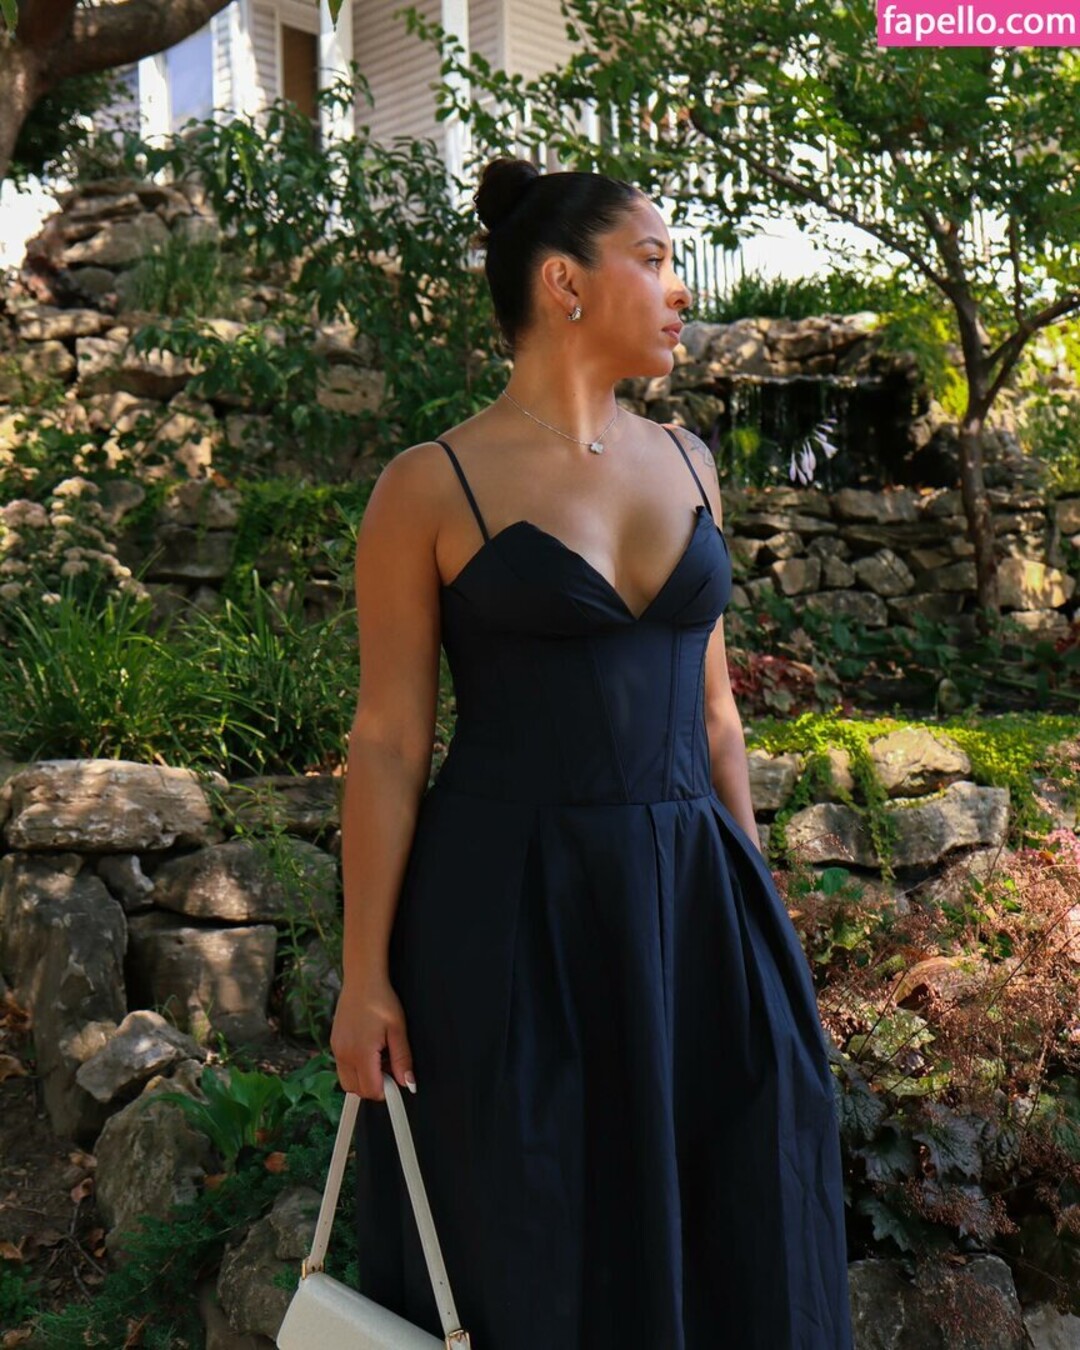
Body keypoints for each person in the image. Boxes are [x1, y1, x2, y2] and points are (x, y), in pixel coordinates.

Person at [330, 155, 854, 1349]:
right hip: (508, 914)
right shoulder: (429, 486)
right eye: (655, 259)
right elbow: (390, 741)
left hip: (695, 903)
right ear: (564, 283)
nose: (681, 289)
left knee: (743, 1209)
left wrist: (755, 910)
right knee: (528, 1227)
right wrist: (364, 977)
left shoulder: (690, 461)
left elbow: (717, 715)